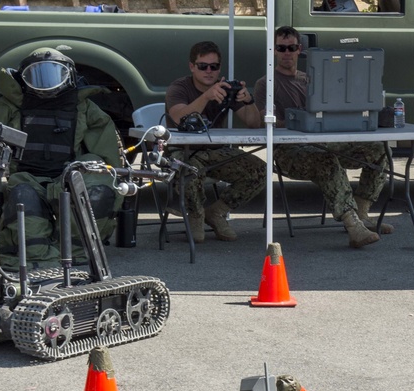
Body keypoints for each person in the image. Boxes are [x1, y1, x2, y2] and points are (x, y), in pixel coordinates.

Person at [0, 47, 123, 270]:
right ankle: (47, 253)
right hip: (26, 179)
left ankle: (78, 250)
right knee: (24, 209)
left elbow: (108, 163)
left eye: (53, 74)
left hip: (68, 179)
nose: (45, 83)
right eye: (37, 75)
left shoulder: (84, 108)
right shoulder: (9, 106)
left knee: (99, 188)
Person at [251, 26, 392, 249]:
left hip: (325, 142)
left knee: (379, 149)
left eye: (291, 47)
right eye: (281, 48)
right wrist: (298, 122)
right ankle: (352, 224)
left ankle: (362, 211)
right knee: (325, 160)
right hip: (289, 151)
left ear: (299, 50)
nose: (286, 52)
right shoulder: (265, 83)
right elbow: (263, 121)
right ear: (274, 51)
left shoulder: (313, 80)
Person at [165, 41, 266, 242]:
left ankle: (216, 212)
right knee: (189, 172)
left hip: (214, 152)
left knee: (259, 171)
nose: (209, 71)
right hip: (183, 151)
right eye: (203, 66)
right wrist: (206, 97)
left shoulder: (223, 88)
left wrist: (248, 100)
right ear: (192, 66)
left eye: (214, 66)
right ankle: (195, 215)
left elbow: (254, 123)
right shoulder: (179, 87)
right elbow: (178, 117)